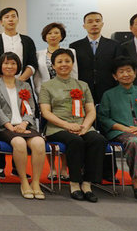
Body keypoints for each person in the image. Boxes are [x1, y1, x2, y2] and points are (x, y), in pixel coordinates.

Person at [39, 49, 105, 203]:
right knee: (75, 141)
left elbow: (90, 110)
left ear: (72, 64)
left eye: (67, 61)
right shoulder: (47, 86)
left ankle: (87, 183)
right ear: (53, 66)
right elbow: (46, 112)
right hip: (58, 127)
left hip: (82, 126)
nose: (64, 64)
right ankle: (74, 183)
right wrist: (67, 125)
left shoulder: (83, 85)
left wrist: (84, 126)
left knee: (98, 140)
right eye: (59, 62)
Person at [70, 11, 122, 182]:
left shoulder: (114, 45)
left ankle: (108, 171)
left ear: (102, 24)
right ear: (84, 25)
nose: (94, 24)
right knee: (85, 132)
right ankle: (86, 169)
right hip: (82, 97)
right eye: (90, 21)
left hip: (107, 95)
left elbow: (118, 71)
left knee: (106, 131)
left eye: (97, 21)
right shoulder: (75, 46)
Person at [0, 7, 37, 178]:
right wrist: (6, 77)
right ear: (1, 21)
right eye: (6, 17)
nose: (10, 19)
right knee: (0, 120)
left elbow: (32, 63)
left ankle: (17, 167)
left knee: (22, 117)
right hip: (0, 84)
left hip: (22, 82)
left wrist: (19, 79)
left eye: (13, 16)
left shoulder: (27, 40)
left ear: (17, 19)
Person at [0, 52, 46, 200]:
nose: (9, 66)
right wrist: (10, 126)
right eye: (6, 63)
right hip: (4, 128)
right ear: (0, 66)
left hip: (24, 125)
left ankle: (36, 182)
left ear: (18, 66)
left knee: (39, 142)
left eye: (13, 63)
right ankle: (24, 181)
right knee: (19, 142)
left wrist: (25, 123)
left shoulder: (25, 85)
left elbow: (32, 108)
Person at [98, 56, 137, 201]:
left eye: (129, 70)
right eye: (121, 71)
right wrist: (125, 128)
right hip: (120, 131)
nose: (126, 74)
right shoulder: (109, 95)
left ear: (135, 73)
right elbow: (104, 118)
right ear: (115, 76)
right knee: (135, 142)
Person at [33, 22, 77, 181]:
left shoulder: (70, 52)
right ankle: (52, 168)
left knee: (67, 132)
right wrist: (41, 95)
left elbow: (75, 75)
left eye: (56, 33)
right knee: (47, 133)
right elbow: (37, 79)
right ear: (45, 36)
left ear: (62, 35)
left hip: (66, 99)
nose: (53, 35)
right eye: (49, 33)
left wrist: (74, 95)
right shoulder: (39, 54)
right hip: (46, 99)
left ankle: (64, 167)